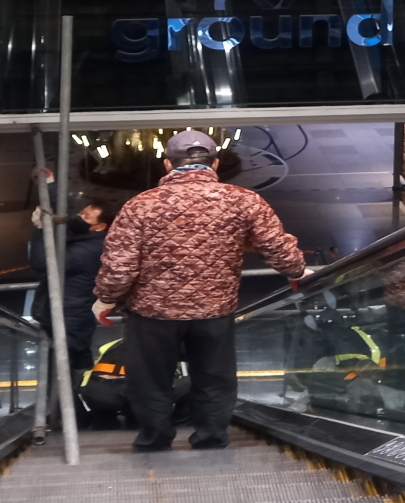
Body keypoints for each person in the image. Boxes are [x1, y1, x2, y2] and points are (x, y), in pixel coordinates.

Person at [92, 129, 305, 451]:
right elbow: (278, 247)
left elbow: (120, 266)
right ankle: (211, 438)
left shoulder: (140, 205)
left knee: (150, 380)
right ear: (215, 163)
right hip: (215, 311)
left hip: (153, 314)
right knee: (214, 378)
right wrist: (297, 272)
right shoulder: (244, 200)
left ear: (168, 164)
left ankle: (154, 440)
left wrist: (105, 298)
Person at [28, 195, 118, 374]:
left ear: (100, 227)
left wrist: (40, 230)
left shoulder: (90, 250)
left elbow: (41, 263)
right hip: (73, 313)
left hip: (68, 317)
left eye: (86, 217)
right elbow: (66, 215)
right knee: (75, 356)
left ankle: (73, 386)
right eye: (82, 213)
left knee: (63, 365)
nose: (79, 217)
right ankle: (81, 378)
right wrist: (52, 189)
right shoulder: (86, 236)